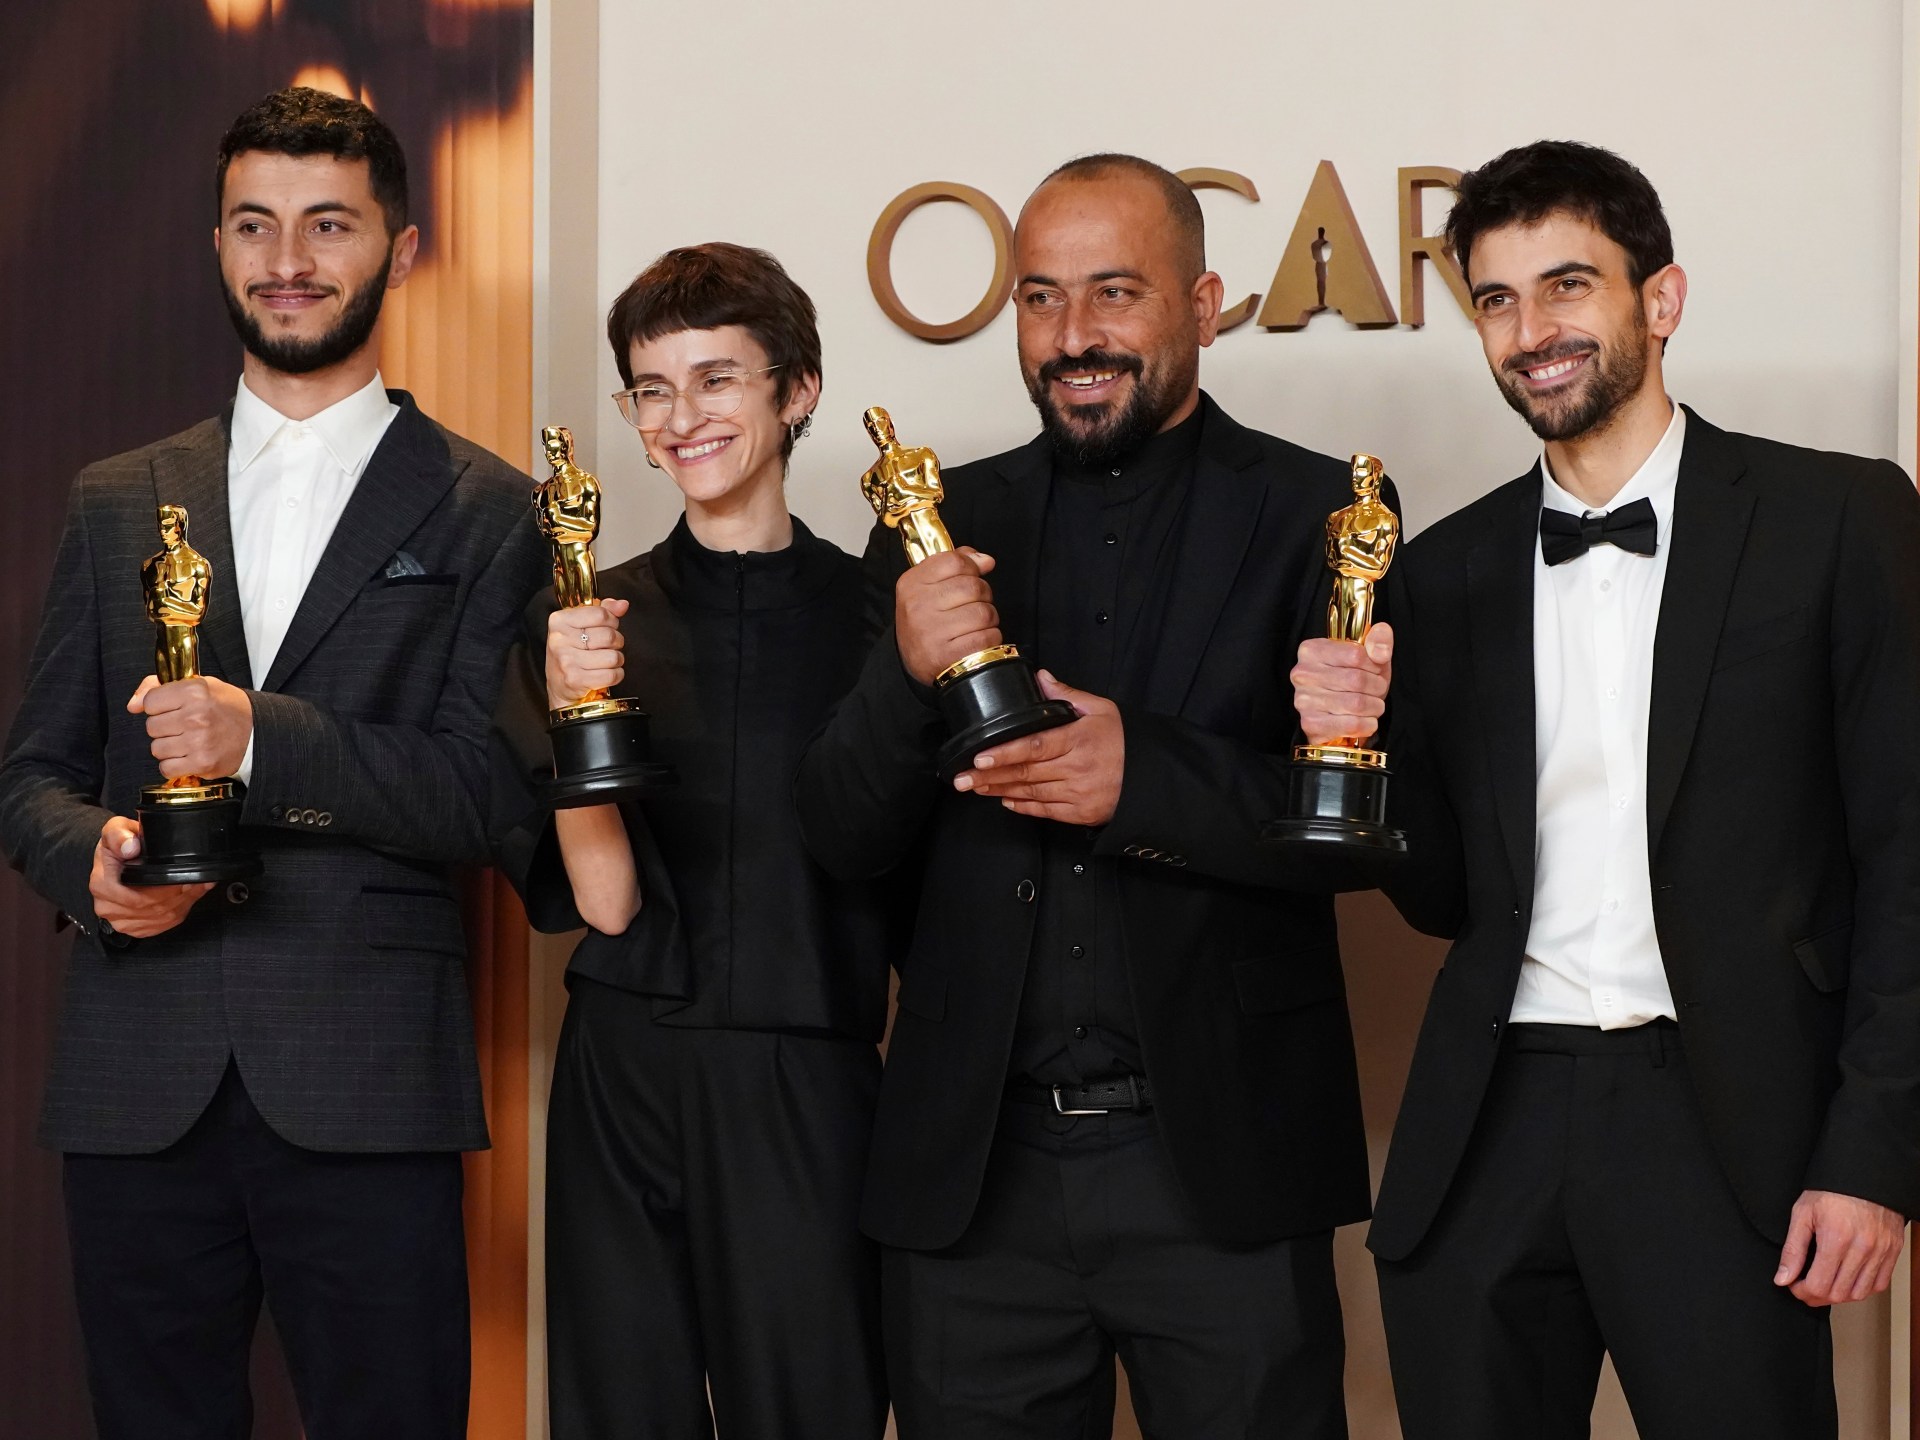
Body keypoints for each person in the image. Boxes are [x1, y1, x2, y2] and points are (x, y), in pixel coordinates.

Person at [1291, 139, 1920, 1438]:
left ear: (1662, 299)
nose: (1533, 332)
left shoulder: (1838, 519)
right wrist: (1363, 753)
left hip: (1724, 1118)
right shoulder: (1446, 570)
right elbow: (1446, 895)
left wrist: (1874, 1153)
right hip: (1489, 1121)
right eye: (1499, 300)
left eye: (1568, 286)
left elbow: (1911, 853)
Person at [796, 153, 1373, 1440]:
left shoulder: (1322, 513)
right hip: (973, 1188)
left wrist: (1145, 778)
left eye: (1116, 293)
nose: (1072, 338)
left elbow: (1371, 837)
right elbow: (841, 831)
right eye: (1041, 298)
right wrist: (905, 671)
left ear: (1204, 305)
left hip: (1224, 1173)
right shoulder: (936, 521)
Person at [0, 87, 545, 1439]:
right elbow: (32, 777)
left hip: (369, 1087)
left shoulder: (491, 510)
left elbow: (490, 797)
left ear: (401, 250)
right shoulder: (116, 496)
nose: (287, 259)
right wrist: (93, 867)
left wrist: (265, 741)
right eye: (255, 224)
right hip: (137, 1080)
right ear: (217, 244)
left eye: (327, 225)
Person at [489, 242, 894, 1440]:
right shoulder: (581, 617)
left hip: (808, 1071)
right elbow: (606, 905)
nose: (681, 419)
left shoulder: (879, 618)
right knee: (621, 1412)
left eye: (717, 379)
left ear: (797, 389)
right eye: (652, 390)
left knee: (813, 1409)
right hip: (623, 1070)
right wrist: (578, 709)